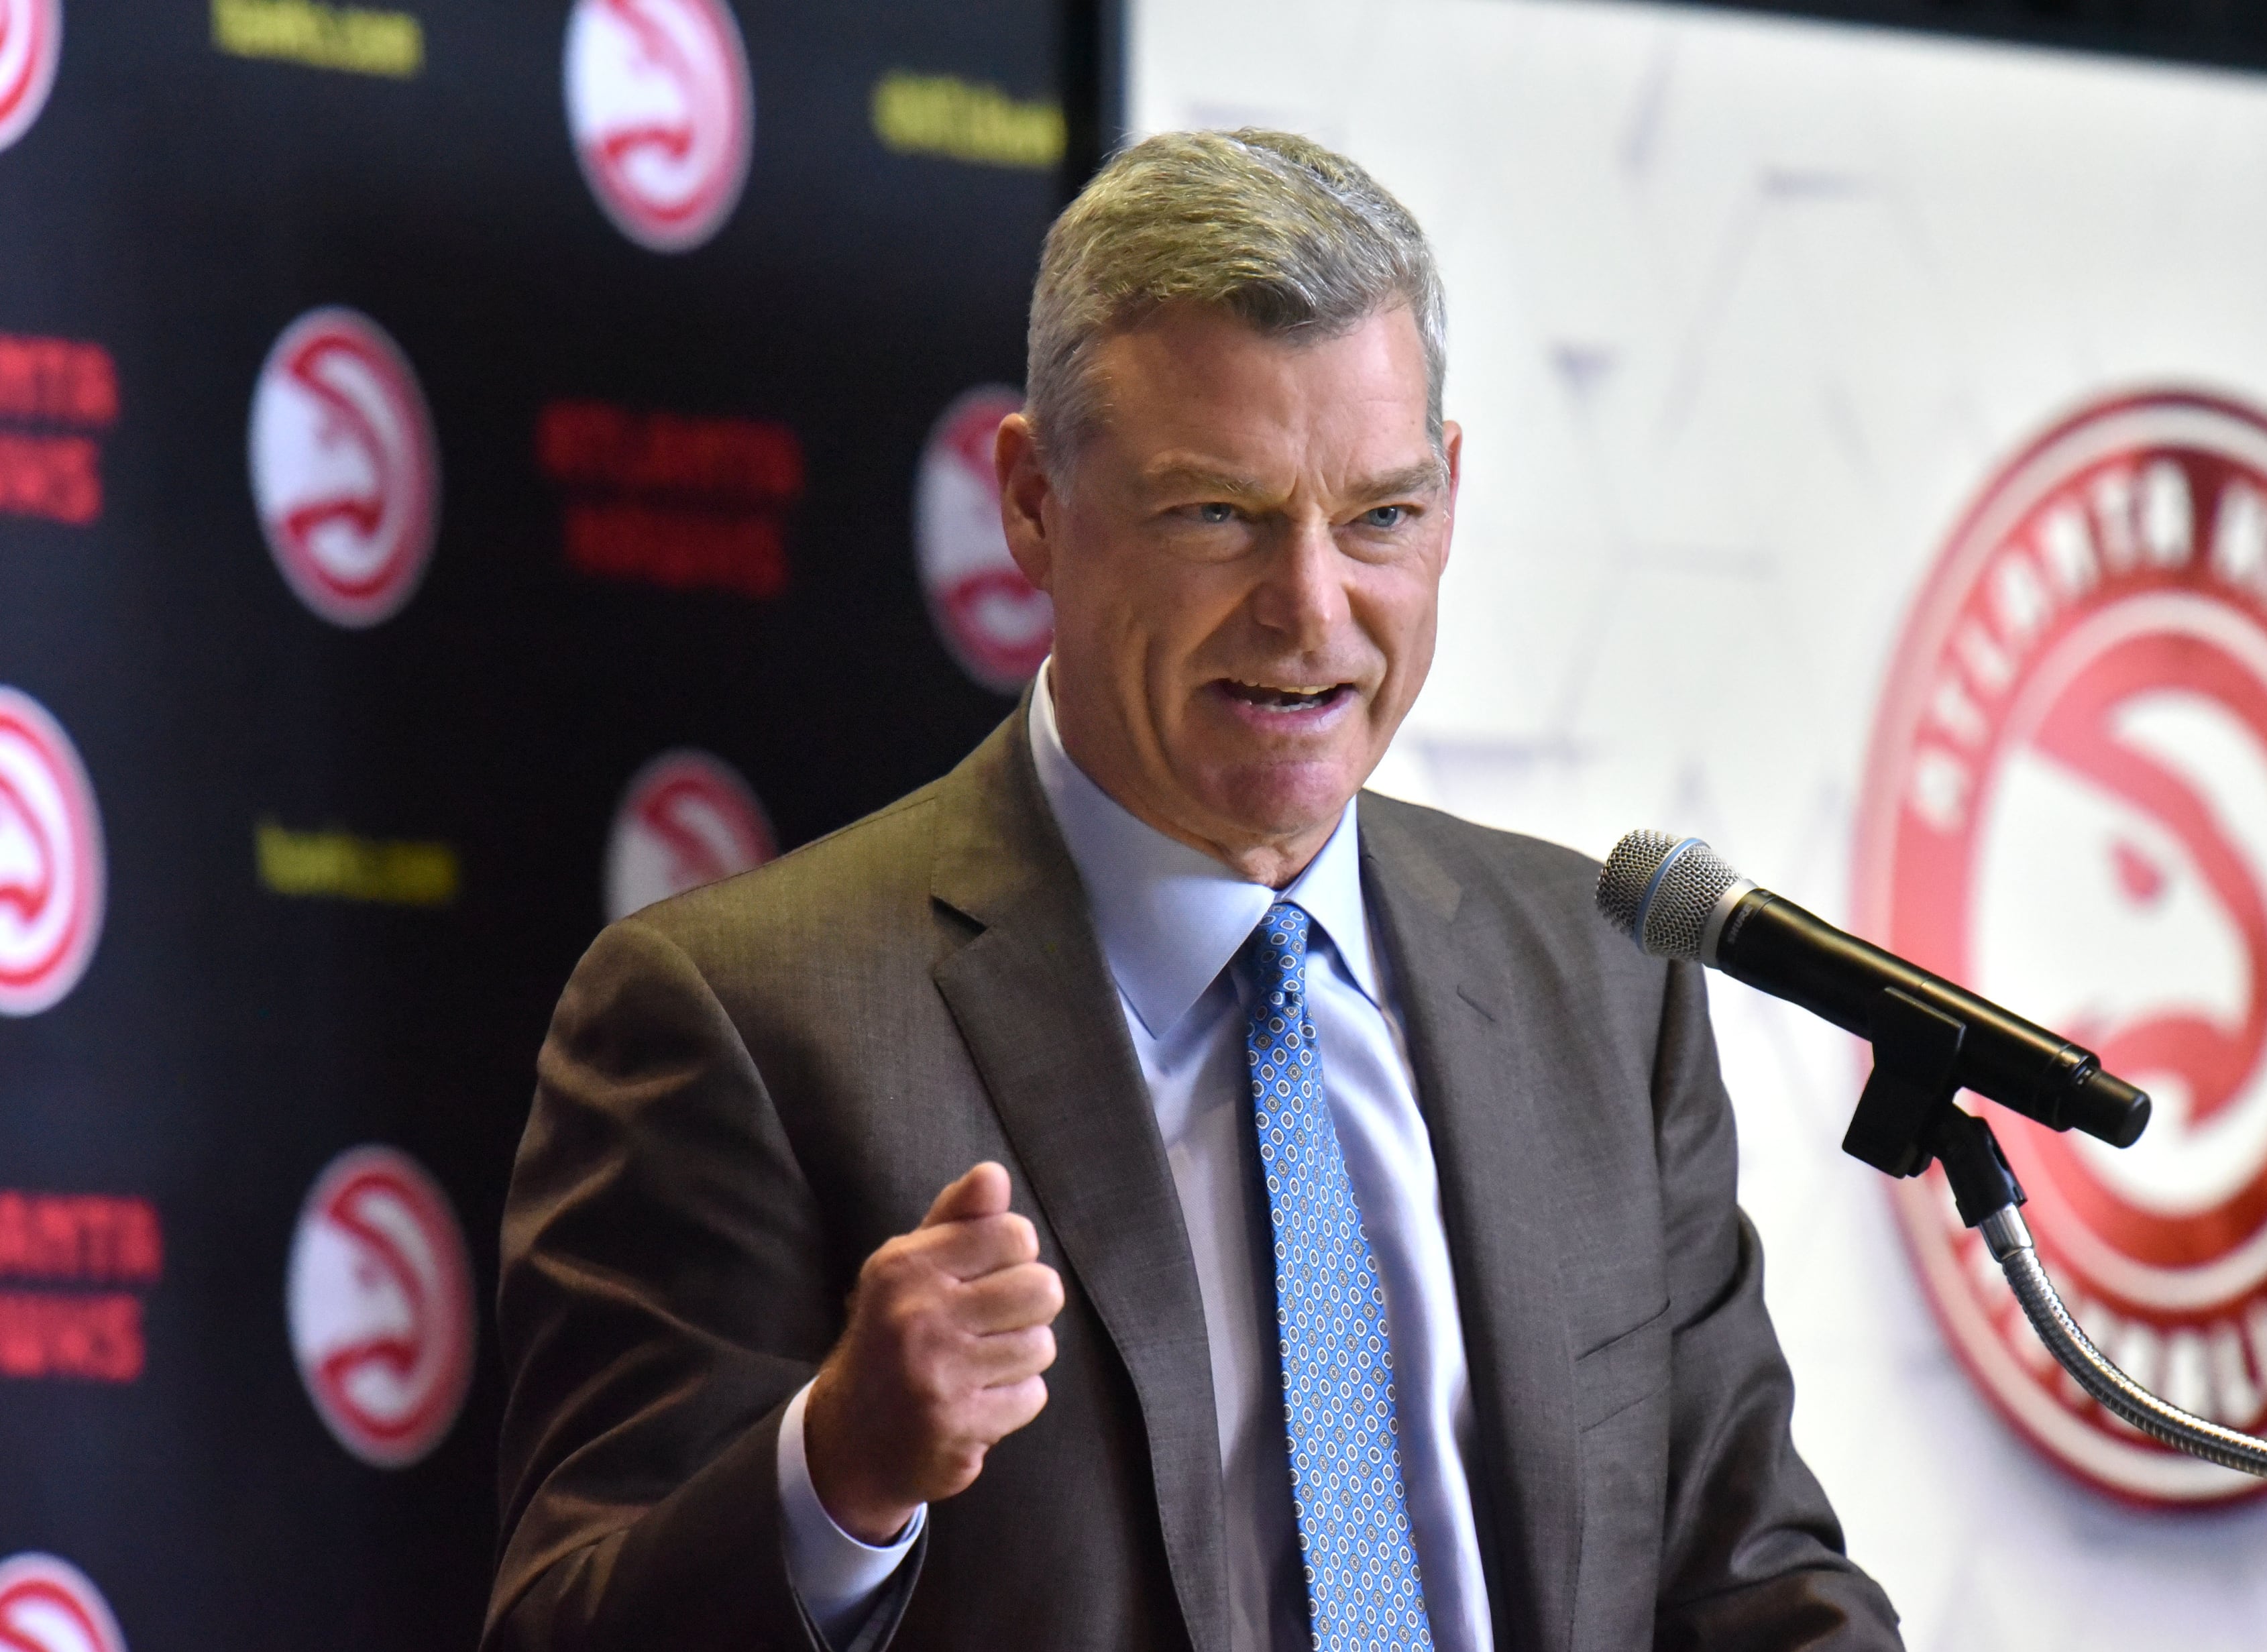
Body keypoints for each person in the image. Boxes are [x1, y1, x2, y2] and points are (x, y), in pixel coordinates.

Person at [486, 128, 1903, 1652]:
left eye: (1380, 517)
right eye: (1217, 514)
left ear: (1451, 494)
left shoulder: (1602, 984)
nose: (1310, 609)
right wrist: (839, 1472)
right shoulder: (748, 1020)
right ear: (1033, 501)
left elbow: (1746, 1582)